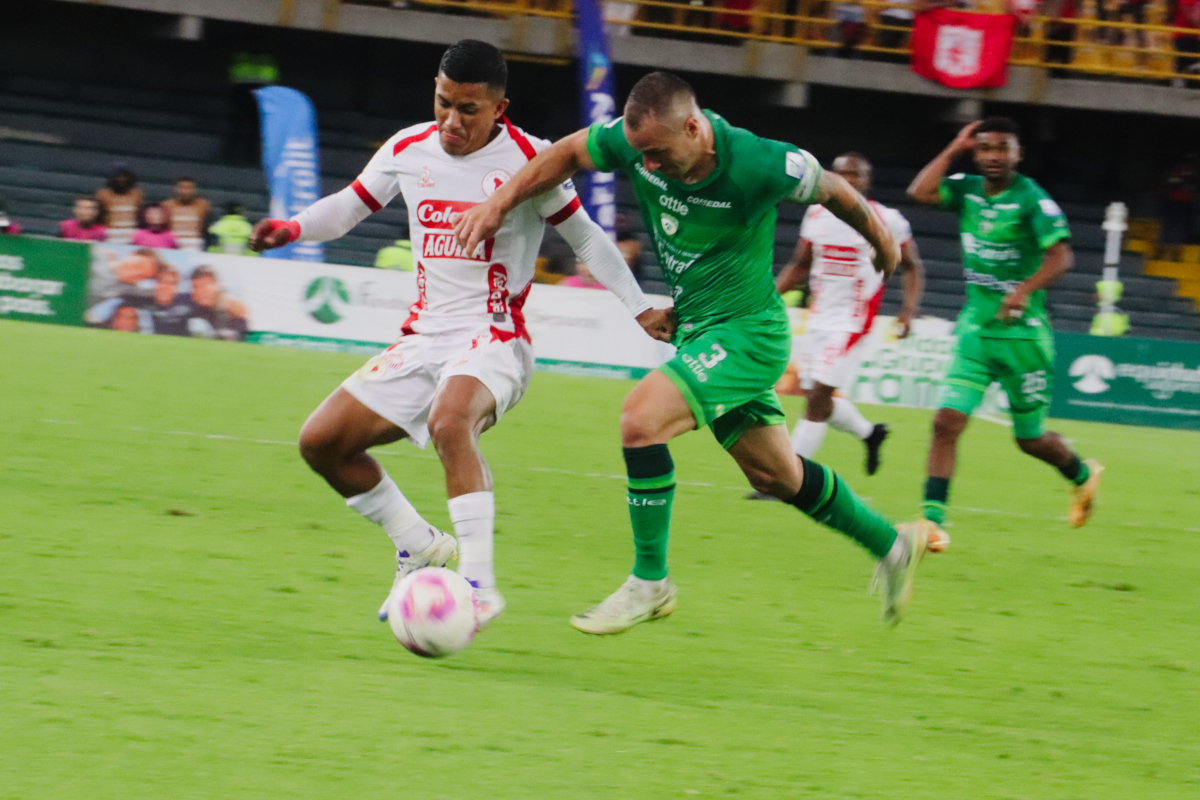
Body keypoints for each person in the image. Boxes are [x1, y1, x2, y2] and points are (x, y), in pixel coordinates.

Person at [456, 71, 934, 632]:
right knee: (777, 477)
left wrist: (880, 239)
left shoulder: (759, 161)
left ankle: (650, 582)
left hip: (747, 334)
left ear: (694, 126)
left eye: (657, 153)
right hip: (702, 330)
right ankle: (891, 544)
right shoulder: (634, 143)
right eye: (640, 156)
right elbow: (565, 153)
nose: (648, 167)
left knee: (641, 419)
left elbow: (835, 188)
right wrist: (496, 205)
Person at [248, 40, 670, 630]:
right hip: (425, 338)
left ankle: (479, 586)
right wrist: (291, 227)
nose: (451, 121)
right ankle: (418, 544)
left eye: (468, 110)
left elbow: (586, 240)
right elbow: (348, 208)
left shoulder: (530, 159)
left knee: (451, 422)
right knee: (322, 443)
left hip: (496, 337)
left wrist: (638, 306)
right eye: (444, 102)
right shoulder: (407, 147)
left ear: (500, 108)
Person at [907, 118, 1103, 536]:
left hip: (1023, 338)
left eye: (1003, 148)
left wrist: (1025, 290)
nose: (993, 156)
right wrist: (954, 147)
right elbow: (919, 192)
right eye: (985, 148)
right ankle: (932, 522)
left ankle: (1082, 473)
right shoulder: (966, 189)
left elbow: (1061, 256)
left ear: (1018, 153)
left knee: (1029, 440)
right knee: (945, 423)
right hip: (976, 333)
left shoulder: (1032, 199)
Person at [774, 152, 925, 476]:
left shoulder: (888, 220)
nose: (849, 179)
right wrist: (767, 296)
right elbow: (801, 264)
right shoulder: (815, 215)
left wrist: (908, 311)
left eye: (857, 174)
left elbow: (912, 266)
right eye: (843, 173)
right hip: (818, 321)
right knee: (820, 400)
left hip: (853, 323)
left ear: (867, 181)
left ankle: (787, 479)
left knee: (815, 401)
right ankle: (871, 434)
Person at [187, 265, 249, 341]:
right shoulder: (188, 302)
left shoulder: (233, 307)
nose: (200, 291)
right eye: (195, 286)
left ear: (217, 284)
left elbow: (239, 338)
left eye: (204, 285)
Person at [95, 166, 144, 245]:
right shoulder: (103, 194)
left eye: (124, 176)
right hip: (110, 235)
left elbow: (140, 215)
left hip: (131, 235)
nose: (121, 179)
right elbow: (99, 215)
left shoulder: (137, 194)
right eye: (118, 177)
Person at [162, 177, 210, 251]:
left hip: (194, 244)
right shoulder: (167, 205)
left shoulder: (202, 205)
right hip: (172, 243)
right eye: (182, 188)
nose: (185, 191)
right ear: (176, 189)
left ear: (195, 190)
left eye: (189, 188)